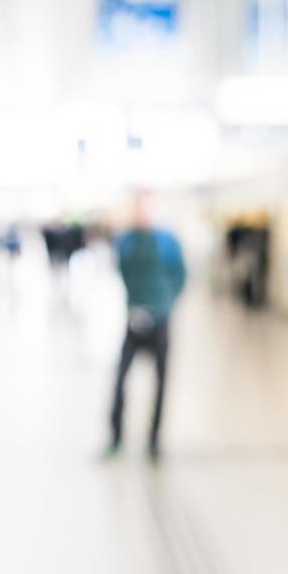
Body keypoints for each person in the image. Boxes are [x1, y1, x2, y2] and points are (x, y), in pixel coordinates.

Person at [106, 191, 187, 462]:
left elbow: (180, 274)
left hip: (161, 318)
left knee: (162, 381)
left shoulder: (167, 241)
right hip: (134, 318)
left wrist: (165, 302)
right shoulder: (126, 241)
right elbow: (121, 270)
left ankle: (154, 440)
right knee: (119, 379)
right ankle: (115, 437)